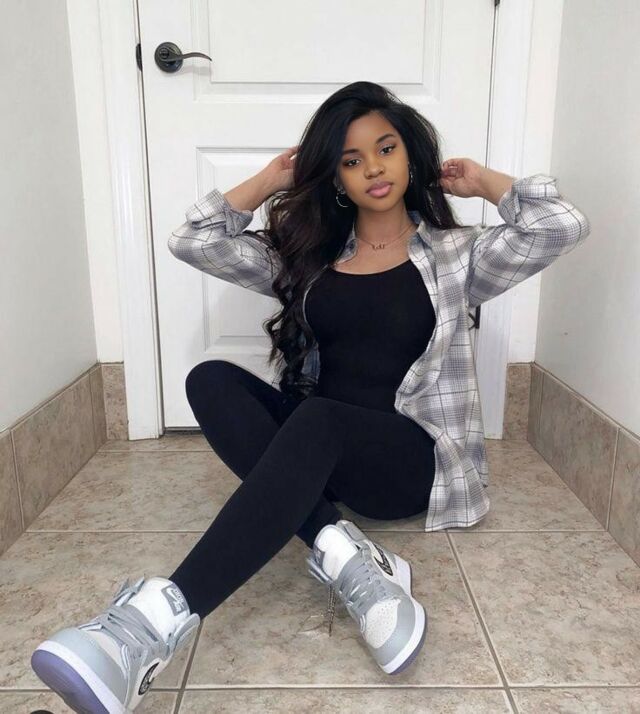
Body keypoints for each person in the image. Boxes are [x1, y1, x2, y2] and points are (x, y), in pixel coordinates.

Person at [30, 81, 591, 713]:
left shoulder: (459, 256)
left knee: (319, 419)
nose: (373, 168)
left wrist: (485, 182)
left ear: (411, 157)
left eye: (386, 148)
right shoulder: (310, 258)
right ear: (336, 178)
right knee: (209, 380)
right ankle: (346, 553)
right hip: (322, 451)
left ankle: (150, 626)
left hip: (407, 463)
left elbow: (562, 225)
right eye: (351, 160)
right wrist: (271, 179)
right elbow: (193, 239)